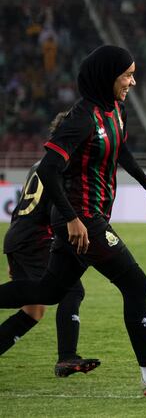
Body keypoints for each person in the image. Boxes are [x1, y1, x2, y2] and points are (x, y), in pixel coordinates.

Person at [0, 45, 146, 397]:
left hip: (89, 216)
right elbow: (48, 167)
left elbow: (121, 150)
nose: (133, 82)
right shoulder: (81, 117)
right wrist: (72, 219)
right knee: (136, 284)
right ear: (107, 77)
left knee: (50, 291)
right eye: (127, 75)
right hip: (84, 219)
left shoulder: (114, 110)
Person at [0, 112, 100, 377]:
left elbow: (23, 205)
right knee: (71, 290)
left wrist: (14, 249)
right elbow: (61, 213)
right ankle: (67, 357)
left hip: (19, 237)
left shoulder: (41, 163)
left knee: (33, 310)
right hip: (35, 238)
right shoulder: (64, 165)